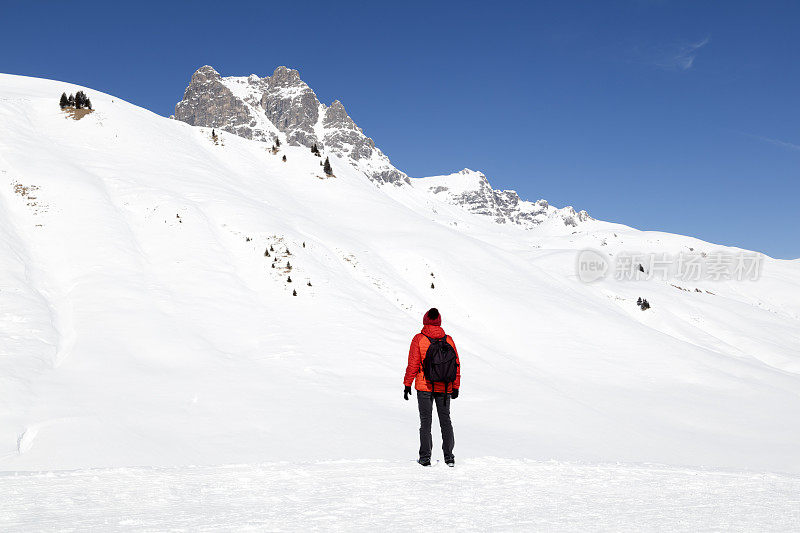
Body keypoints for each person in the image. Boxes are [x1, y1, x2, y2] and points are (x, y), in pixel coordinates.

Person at [403, 308, 461, 467]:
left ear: (425, 320)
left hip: (424, 386)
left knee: (425, 422)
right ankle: (449, 457)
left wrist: (407, 384)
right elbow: (456, 364)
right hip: (445, 387)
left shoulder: (419, 339)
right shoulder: (448, 340)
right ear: (439, 321)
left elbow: (413, 364)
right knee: (446, 421)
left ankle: (425, 458)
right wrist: (455, 385)